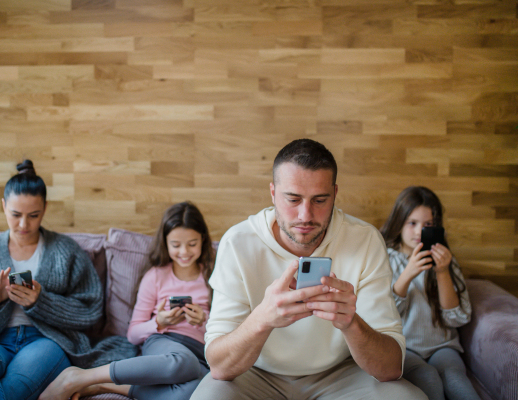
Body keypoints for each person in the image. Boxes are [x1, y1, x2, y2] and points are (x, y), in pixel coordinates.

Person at [190, 138, 427, 400]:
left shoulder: (365, 240)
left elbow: (390, 368)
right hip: (256, 373)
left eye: (320, 200)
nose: (305, 215)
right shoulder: (237, 243)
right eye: (293, 199)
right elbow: (219, 366)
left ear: (335, 194)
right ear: (272, 193)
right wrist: (263, 318)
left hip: (341, 373)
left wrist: (351, 323)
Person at [0, 160, 136, 400]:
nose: (24, 224)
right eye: (15, 214)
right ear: (3, 206)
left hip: (44, 342)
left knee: (13, 387)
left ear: (45, 208)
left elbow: (90, 309)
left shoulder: (66, 251)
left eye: (33, 215)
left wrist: (41, 302)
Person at [38, 201, 214, 400]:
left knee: (197, 392)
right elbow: (133, 334)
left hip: (201, 351)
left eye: (192, 244)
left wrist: (204, 322)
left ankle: (105, 386)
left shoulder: (213, 276)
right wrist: (159, 323)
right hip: (164, 342)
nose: (184, 252)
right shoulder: (155, 276)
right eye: (176, 245)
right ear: (165, 242)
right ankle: (83, 376)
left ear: (203, 240)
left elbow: (227, 330)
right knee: (184, 362)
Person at [380, 186, 479, 400]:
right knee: (428, 380)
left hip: (442, 346)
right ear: (399, 222)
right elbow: (383, 314)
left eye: (428, 225)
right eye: (412, 223)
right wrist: (408, 274)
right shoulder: (385, 259)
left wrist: (442, 272)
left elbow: (458, 317)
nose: (418, 232)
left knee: (456, 381)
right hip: (405, 348)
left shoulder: (445, 260)